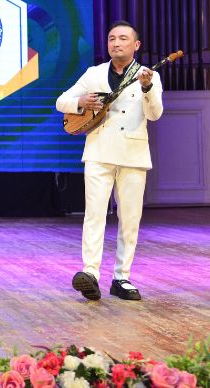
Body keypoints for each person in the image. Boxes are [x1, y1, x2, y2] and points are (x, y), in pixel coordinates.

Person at [56, 20, 163, 301]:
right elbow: (61, 101)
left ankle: (122, 277)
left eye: (123, 38)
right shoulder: (94, 73)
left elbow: (155, 114)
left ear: (136, 45)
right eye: (112, 38)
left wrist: (147, 89)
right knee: (94, 214)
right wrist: (81, 103)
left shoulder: (148, 75)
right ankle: (90, 273)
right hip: (98, 152)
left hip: (133, 154)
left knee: (130, 218)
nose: (116, 43)